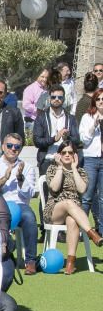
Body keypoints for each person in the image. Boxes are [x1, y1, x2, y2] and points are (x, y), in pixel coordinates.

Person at [43, 140, 103, 273]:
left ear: (75, 154)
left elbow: (82, 189)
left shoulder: (81, 171)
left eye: (70, 152)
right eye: (63, 152)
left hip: (74, 212)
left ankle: (70, 262)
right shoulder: (52, 168)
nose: (67, 155)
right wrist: (60, 167)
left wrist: (74, 168)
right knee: (69, 202)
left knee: (72, 220)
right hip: (54, 211)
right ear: (59, 154)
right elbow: (54, 187)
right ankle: (92, 233)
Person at [0, 133, 38, 274]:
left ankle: (30, 261)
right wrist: (4, 179)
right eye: (10, 146)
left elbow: (29, 194)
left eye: (17, 147)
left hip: (19, 204)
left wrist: (20, 179)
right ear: (4, 146)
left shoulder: (27, 167)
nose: (13, 149)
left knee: (29, 218)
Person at [33, 84, 78, 175]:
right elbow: (37, 141)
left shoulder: (71, 118)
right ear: (49, 98)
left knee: (65, 189)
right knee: (46, 189)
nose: (56, 99)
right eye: (53, 97)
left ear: (64, 99)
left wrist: (68, 137)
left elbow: (77, 140)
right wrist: (54, 139)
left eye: (60, 97)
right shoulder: (41, 118)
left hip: (66, 161)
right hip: (47, 160)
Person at [78, 88, 103, 229]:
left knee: (102, 198)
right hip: (91, 159)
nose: (101, 102)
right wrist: (94, 126)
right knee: (87, 196)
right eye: (98, 99)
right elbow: (84, 140)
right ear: (94, 101)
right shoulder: (87, 117)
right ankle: (82, 229)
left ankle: (101, 229)